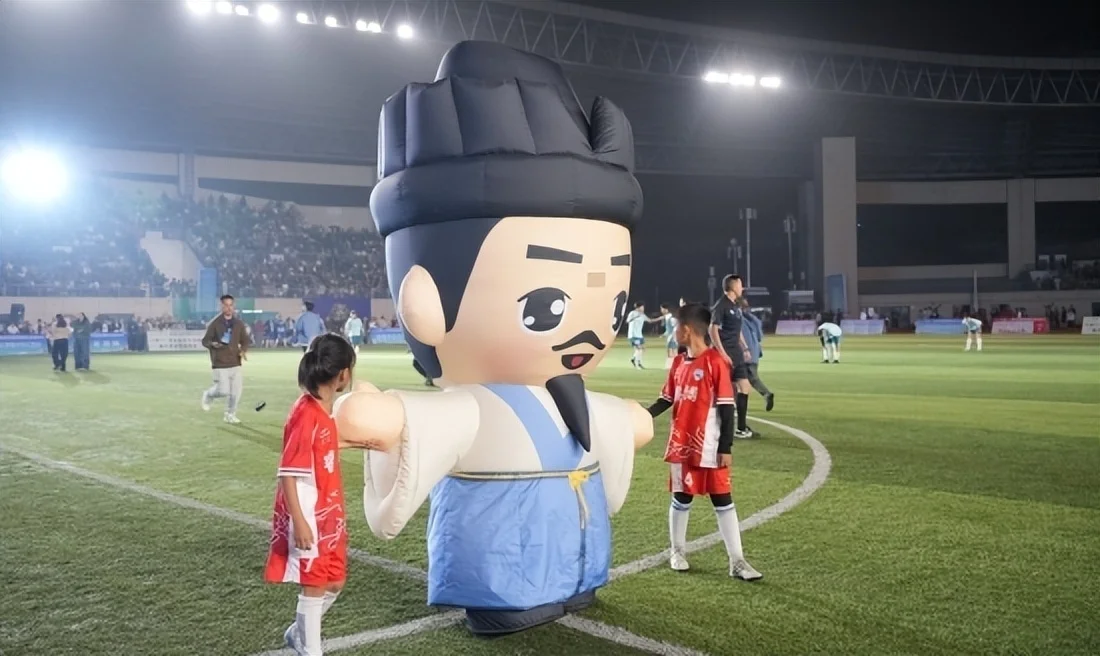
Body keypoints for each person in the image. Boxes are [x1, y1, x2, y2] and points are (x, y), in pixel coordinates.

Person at [646, 303, 762, 581]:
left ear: (687, 330)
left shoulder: (715, 362)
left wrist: (726, 447)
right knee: (681, 497)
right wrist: (642, 415)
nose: (674, 332)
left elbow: (726, 407)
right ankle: (677, 552)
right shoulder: (678, 363)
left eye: (676, 326)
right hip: (681, 446)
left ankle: (737, 561)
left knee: (723, 499)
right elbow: (666, 399)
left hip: (710, 447)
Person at [264, 335, 357, 656]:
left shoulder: (322, 410)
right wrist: (301, 522)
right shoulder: (305, 414)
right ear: (343, 374)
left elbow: (323, 447)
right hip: (309, 514)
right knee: (315, 583)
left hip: (329, 514)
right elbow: (288, 472)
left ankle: (297, 633)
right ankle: (310, 649)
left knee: (334, 581)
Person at [709, 275, 755, 439]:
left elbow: (737, 329)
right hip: (724, 353)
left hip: (736, 353)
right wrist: (722, 352)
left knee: (744, 387)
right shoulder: (721, 305)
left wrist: (745, 347)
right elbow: (713, 329)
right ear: (733, 286)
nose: (742, 288)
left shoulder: (735, 305)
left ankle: (741, 428)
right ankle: (715, 426)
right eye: (740, 285)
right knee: (722, 392)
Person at [201, 295, 251, 424]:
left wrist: (243, 350)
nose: (229, 308)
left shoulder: (238, 324)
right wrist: (213, 344)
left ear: (234, 306)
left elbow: (245, 340)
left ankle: (230, 414)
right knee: (223, 390)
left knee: (236, 392)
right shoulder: (214, 324)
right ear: (221, 306)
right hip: (220, 363)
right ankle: (209, 394)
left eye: (231, 305)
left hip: (235, 362)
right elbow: (205, 341)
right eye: (226, 305)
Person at [739, 299, 774, 412]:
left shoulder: (737, 319)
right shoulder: (754, 319)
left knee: (739, 381)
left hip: (744, 353)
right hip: (754, 352)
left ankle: (736, 406)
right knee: (752, 379)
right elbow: (760, 337)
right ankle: (766, 394)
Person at [625, 302, 662, 369]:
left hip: (639, 335)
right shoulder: (632, 313)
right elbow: (627, 321)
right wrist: (636, 317)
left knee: (642, 349)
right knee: (639, 348)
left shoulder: (642, 315)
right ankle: (637, 364)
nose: (643, 308)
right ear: (638, 307)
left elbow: (650, 320)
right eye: (642, 307)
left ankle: (634, 360)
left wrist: (660, 318)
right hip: (633, 335)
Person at [659, 304, 679, 369]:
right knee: (672, 351)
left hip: (672, 337)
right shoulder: (667, 317)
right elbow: (668, 329)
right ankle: (673, 366)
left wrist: (673, 336)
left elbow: (675, 328)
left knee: (671, 351)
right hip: (671, 337)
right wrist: (664, 334)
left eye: (662, 309)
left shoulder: (671, 318)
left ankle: (670, 366)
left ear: (666, 309)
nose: (661, 310)